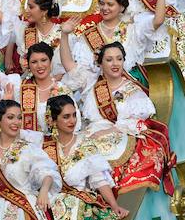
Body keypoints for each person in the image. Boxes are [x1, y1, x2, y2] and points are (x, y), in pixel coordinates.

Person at [59, 32, 175, 196]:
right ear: (100, 63)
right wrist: (64, 35)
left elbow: (137, 123)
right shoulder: (91, 83)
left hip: (119, 133)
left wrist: (108, 131)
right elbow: (69, 65)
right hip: (90, 132)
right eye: (109, 59)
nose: (115, 64)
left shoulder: (132, 89)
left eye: (119, 59)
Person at [44, 95, 127, 220]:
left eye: (74, 115)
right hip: (50, 203)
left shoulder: (85, 144)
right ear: (53, 119)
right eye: (66, 117)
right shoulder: (44, 147)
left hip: (78, 201)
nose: (72, 121)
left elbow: (99, 180)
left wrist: (114, 206)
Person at [68, 0, 165, 76]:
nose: (105, 8)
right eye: (102, 4)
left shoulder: (132, 29)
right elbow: (82, 70)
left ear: (122, 7)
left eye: (110, 4)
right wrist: (64, 34)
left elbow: (158, 20)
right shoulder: (91, 34)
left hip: (130, 85)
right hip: (103, 87)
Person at [11, 0, 65, 75]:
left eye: (31, 7)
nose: (27, 10)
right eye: (27, 6)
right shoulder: (24, 31)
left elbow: (66, 70)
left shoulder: (63, 34)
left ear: (44, 11)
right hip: (31, 85)